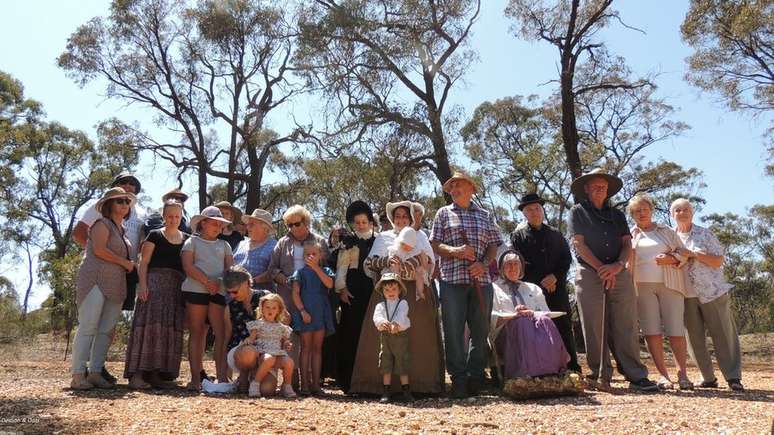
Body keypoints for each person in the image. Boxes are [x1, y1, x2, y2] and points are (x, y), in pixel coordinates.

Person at [568, 168, 657, 391]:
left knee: (626, 322)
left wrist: (617, 266)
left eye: (604, 187)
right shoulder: (577, 212)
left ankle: (635, 375)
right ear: (587, 189)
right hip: (590, 272)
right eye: (595, 186)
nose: (600, 190)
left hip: (618, 270)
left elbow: (627, 243)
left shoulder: (617, 215)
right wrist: (601, 269)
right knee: (594, 325)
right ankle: (599, 374)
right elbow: (578, 244)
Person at [351, 200, 444, 396]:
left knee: (417, 337)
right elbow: (369, 263)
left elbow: (429, 263)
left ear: (410, 218)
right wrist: (387, 261)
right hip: (388, 290)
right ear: (392, 219)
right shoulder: (383, 237)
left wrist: (414, 264)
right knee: (383, 336)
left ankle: (420, 385)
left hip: (414, 293)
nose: (401, 220)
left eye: (405, 216)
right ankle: (379, 386)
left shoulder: (421, 236)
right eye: (397, 216)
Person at [430, 172, 503, 398]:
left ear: (471, 188)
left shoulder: (485, 215)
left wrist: (483, 264)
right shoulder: (443, 213)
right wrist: (456, 251)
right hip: (452, 282)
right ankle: (459, 379)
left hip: (481, 281)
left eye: (459, 184)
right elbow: (434, 243)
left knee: (480, 332)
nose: (454, 188)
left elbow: (494, 245)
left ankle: (476, 376)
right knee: (452, 331)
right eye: (451, 186)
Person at [72, 171, 145, 383]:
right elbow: (100, 250)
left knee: (106, 329)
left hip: (117, 283)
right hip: (95, 279)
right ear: (109, 204)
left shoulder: (123, 230)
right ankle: (78, 374)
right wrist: (125, 263)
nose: (125, 203)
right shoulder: (101, 224)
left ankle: (95, 372)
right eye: (120, 200)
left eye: (128, 201)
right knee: (88, 326)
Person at [671, 198, 744, 391]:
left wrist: (693, 254)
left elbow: (718, 260)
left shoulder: (705, 234)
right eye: (677, 210)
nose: (682, 213)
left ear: (692, 213)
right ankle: (708, 378)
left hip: (712, 291)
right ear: (672, 214)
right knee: (694, 338)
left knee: (723, 334)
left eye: (686, 209)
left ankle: (733, 377)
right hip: (685, 294)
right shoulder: (670, 237)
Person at [627, 193, 693, 390]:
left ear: (651, 211)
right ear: (632, 214)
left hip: (670, 284)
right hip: (642, 287)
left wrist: (671, 258)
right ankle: (664, 375)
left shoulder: (664, 230)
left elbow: (684, 253)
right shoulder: (630, 235)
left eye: (645, 209)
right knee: (651, 331)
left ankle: (683, 374)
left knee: (675, 330)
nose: (642, 213)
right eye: (637, 211)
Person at [510, 193, 580, 373]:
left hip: (557, 289)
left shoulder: (556, 234)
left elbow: (566, 259)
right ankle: (541, 368)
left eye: (537, 209)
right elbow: (519, 262)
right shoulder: (518, 237)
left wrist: (555, 277)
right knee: (536, 326)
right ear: (524, 214)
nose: (534, 212)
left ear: (542, 210)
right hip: (532, 289)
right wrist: (541, 280)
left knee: (563, 324)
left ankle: (572, 367)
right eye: (529, 210)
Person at [124, 199, 189, 389]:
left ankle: (155, 374)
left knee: (166, 329)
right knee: (147, 328)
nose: (173, 219)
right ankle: (137, 375)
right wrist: (142, 285)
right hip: (153, 286)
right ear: (163, 217)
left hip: (174, 289)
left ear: (181, 217)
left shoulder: (186, 239)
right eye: (169, 216)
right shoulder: (154, 235)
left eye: (177, 216)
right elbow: (143, 263)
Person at [267, 205, 330, 382]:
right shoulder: (282, 243)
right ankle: (291, 379)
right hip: (288, 296)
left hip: (313, 297)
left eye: (297, 223)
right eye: (289, 224)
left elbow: (327, 268)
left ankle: (311, 381)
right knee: (290, 336)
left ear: (307, 222)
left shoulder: (319, 241)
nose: (293, 228)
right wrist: (288, 281)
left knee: (310, 340)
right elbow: (272, 269)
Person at [490, 250, 569, 379]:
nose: (513, 268)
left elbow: (545, 313)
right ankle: (525, 373)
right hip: (505, 335)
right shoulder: (493, 288)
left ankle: (552, 369)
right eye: (508, 264)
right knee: (522, 322)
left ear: (521, 268)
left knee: (545, 321)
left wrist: (531, 313)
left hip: (534, 333)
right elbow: (491, 318)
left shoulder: (533, 288)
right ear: (501, 268)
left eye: (516, 264)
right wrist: (515, 315)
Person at [181, 206, 233, 390]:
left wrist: (218, 282)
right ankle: (196, 379)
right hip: (196, 289)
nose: (218, 227)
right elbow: (188, 266)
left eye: (220, 224)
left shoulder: (225, 245)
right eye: (214, 223)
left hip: (218, 291)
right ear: (203, 223)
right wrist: (206, 281)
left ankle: (222, 378)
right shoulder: (191, 242)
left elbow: (230, 270)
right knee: (197, 331)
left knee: (221, 334)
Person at [334, 200, 377, 393]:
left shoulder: (378, 240)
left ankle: (372, 380)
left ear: (370, 222)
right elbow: (341, 267)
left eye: (364, 221)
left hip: (372, 289)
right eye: (357, 222)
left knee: (371, 333)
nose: (361, 225)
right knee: (350, 332)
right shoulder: (348, 242)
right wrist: (341, 289)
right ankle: (349, 381)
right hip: (352, 290)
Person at [222, 267, 279, 396]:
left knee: (267, 390)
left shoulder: (265, 296)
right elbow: (227, 337)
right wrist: (223, 375)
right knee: (249, 351)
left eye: (235, 291)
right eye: (229, 292)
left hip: (266, 351)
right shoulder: (230, 306)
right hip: (240, 350)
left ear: (247, 283)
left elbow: (285, 319)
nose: (232, 295)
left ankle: (252, 380)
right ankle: (245, 376)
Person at [289, 241, 335, 395]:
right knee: (305, 347)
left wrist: (316, 268)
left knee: (317, 349)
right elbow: (295, 293)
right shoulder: (300, 273)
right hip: (306, 314)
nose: (310, 257)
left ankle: (316, 384)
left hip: (320, 313)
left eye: (314, 254)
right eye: (307, 254)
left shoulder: (326, 271)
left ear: (321, 255)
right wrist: (302, 311)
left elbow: (329, 284)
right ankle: (304, 385)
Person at [244, 293, 297, 398]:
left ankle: (286, 386)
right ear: (262, 309)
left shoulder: (282, 327)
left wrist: (287, 344)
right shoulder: (258, 324)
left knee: (289, 362)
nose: (270, 310)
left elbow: (286, 340)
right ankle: (255, 383)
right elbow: (252, 338)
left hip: (277, 354)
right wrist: (248, 340)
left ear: (278, 310)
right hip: (263, 353)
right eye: (267, 307)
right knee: (269, 359)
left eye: (274, 308)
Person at [372, 272, 413, 403]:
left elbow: (402, 314)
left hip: (400, 336)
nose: (391, 292)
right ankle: (386, 391)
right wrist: (381, 322)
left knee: (402, 361)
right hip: (386, 336)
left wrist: (396, 324)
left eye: (394, 289)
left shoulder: (403, 303)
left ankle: (406, 391)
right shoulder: (380, 305)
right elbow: (377, 316)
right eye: (387, 290)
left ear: (399, 290)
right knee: (386, 361)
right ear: (382, 291)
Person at [233, 209, 277, 291]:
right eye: (248, 224)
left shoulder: (274, 246)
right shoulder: (241, 244)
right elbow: (231, 265)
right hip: (235, 296)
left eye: (252, 224)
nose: (247, 227)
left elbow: (274, 272)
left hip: (261, 299)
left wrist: (251, 282)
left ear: (265, 228)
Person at [388, 227, 431, 299]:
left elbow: (423, 256)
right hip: (400, 271)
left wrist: (424, 266)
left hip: (412, 272)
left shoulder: (416, 249)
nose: (405, 247)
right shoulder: (397, 248)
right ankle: (398, 286)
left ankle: (420, 291)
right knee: (394, 266)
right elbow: (391, 255)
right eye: (403, 244)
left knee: (419, 276)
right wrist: (392, 259)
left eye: (408, 246)